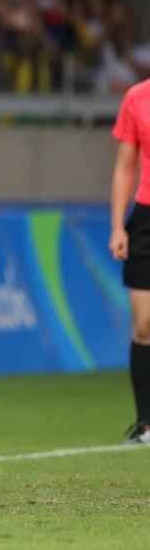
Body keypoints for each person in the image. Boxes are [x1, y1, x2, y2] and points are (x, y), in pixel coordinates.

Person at [108, 79, 150, 443]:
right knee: (144, 324)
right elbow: (125, 166)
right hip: (146, 221)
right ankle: (145, 423)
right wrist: (117, 226)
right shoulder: (137, 98)